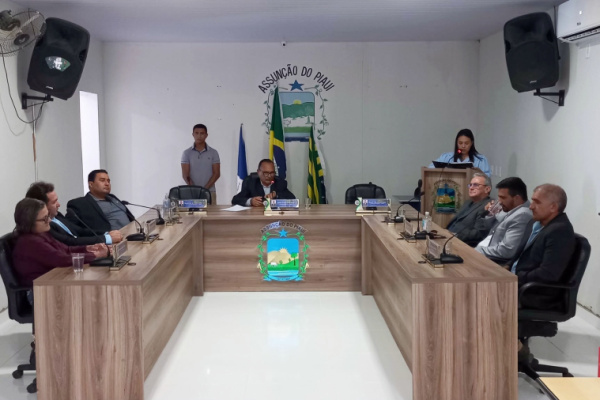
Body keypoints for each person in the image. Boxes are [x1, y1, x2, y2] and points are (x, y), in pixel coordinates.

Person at [12, 198, 107, 291]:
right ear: (29, 222)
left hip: (52, 285)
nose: (49, 220)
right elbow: (61, 259)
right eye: (45, 218)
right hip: (40, 292)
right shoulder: (30, 242)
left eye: (48, 215)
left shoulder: (41, 234)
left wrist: (88, 248)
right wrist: (96, 255)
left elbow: (66, 249)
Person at [511, 184, 575, 310]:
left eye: (537, 202)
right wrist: (508, 267)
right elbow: (521, 253)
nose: (531, 206)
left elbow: (547, 274)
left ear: (553, 207)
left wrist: (515, 277)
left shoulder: (560, 231)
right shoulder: (537, 223)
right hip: (520, 282)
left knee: (480, 294)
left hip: (533, 292)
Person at [26, 181, 123, 245]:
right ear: (42, 206)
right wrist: (106, 239)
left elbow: (80, 231)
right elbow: (71, 242)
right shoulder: (44, 226)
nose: (59, 204)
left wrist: (106, 233)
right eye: (54, 202)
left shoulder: (57, 216)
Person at [475, 177, 532, 264]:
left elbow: (507, 250)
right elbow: (488, 229)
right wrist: (490, 214)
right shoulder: (510, 208)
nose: (500, 201)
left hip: (494, 261)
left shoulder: (522, 215)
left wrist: (477, 251)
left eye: (503, 197)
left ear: (517, 198)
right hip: (486, 252)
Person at [66, 169, 135, 235]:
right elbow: (71, 229)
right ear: (91, 184)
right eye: (102, 180)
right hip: (114, 239)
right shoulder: (80, 204)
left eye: (108, 181)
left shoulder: (113, 197)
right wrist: (106, 236)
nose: (107, 184)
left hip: (133, 234)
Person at [446, 172, 493, 246]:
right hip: (448, 238)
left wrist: (455, 235)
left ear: (487, 189)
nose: (471, 188)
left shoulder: (488, 206)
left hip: (463, 244)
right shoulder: (468, 202)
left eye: (476, 185)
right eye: (470, 185)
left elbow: (479, 233)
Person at [181, 124, 221, 204]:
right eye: (196, 133)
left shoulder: (213, 152)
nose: (199, 136)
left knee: (211, 212)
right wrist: (196, 190)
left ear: (206, 135)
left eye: (202, 133)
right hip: (192, 192)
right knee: (192, 212)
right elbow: (185, 175)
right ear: (193, 134)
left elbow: (216, 174)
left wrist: (204, 190)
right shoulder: (187, 153)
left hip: (209, 192)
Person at [231, 159, 296, 207]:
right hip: (255, 217)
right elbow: (235, 200)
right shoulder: (251, 182)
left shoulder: (279, 182)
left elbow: (293, 201)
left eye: (272, 173)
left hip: (274, 217)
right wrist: (250, 201)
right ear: (258, 172)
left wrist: (276, 195)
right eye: (266, 173)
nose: (269, 176)